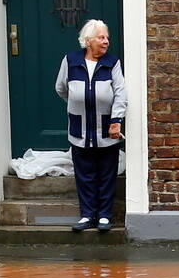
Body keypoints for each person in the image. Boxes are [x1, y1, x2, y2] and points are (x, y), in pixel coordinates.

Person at [54, 20, 127, 233]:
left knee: (106, 173)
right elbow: (61, 88)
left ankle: (104, 216)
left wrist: (116, 120)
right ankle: (87, 215)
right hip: (80, 128)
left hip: (106, 127)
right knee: (84, 174)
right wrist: (78, 104)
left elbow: (121, 94)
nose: (106, 42)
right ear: (88, 41)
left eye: (107, 38)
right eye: (101, 37)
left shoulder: (112, 63)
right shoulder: (70, 61)